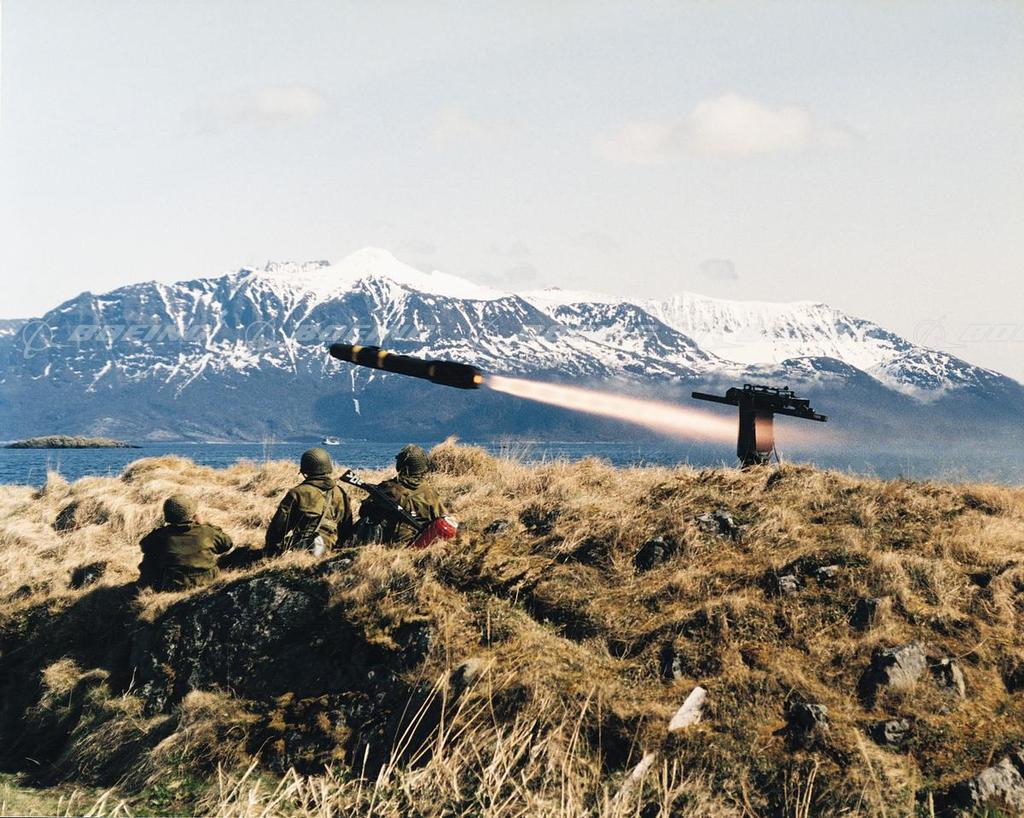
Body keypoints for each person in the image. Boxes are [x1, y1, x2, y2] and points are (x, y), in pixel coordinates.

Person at [265, 447, 353, 557]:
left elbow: (278, 528)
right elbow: (346, 527)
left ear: (305, 470)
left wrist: (270, 550)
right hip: (330, 548)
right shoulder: (340, 493)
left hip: (302, 549)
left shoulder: (297, 493)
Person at [138, 494, 234, 591]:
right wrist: (204, 524)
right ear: (191, 514)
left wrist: (161, 530)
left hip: (175, 585)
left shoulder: (159, 536)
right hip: (208, 581)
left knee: (150, 556)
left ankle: (145, 586)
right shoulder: (206, 531)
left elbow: (144, 546)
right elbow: (227, 544)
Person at [354, 444, 446, 545]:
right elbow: (441, 518)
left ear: (401, 465)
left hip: (393, 543)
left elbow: (364, 511)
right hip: (421, 543)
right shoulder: (431, 492)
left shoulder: (389, 488)